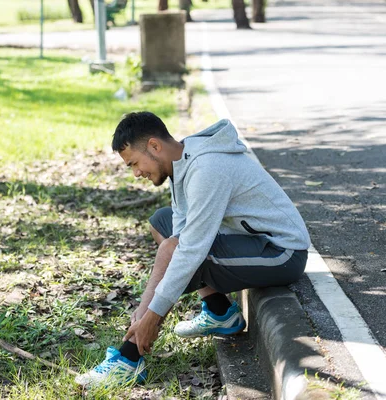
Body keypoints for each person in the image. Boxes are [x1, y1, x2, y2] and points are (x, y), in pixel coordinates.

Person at [74, 112, 311, 388]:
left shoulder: (207, 169)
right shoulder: (181, 163)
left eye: (135, 164)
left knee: (179, 252)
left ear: (154, 146)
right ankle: (220, 312)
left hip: (281, 252)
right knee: (161, 223)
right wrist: (144, 309)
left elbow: (188, 252)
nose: (136, 173)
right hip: (251, 239)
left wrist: (152, 316)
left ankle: (128, 359)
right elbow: (177, 233)